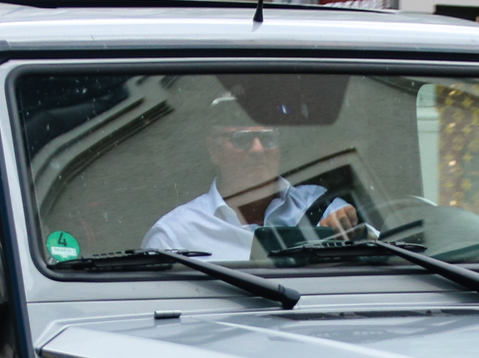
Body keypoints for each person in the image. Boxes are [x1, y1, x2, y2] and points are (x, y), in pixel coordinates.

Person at [142, 95, 361, 260]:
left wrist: (353, 232)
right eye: (241, 140)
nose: (258, 149)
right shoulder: (174, 236)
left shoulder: (322, 206)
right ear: (213, 150)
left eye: (268, 138)